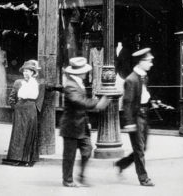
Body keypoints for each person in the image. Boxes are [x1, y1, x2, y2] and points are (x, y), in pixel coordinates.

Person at [60, 56, 110, 188]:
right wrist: (97, 103)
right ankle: (68, 180)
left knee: (87, 150)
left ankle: (80, 176)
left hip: (80, 124)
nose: (86, 73)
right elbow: (79, 102)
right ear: (79, 72)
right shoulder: (70, 86)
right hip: (71, 125)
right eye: (84, 71)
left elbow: (80, 104)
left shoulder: (77, 83)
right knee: (69, 155)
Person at [114, 48, 156, 187]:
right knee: (139, 148)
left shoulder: (144, 76)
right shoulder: (131, 80)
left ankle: (121, 164)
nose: (151, 64)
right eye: (149, 61)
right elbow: (127, 103)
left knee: (143, 148)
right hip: (136, 117)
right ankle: (143, 178)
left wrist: (152, 102)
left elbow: (144, 95)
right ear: (141, 62)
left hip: (144, 114)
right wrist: (129, 122)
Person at [5, 59, 43, 166]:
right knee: (18, 133)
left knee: (29, 132)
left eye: (28, 71)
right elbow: (11, 98)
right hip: (20, 109)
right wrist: (15, 107)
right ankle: (16, 158)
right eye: (24, 71)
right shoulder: (18, 82)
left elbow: (38, 97)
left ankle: (28, 159)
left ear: (33, 72)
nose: (26, 73)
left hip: (31, 109)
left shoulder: (35, 83)